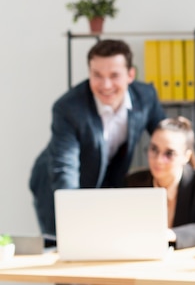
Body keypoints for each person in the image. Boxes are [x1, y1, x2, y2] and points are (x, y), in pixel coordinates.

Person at [29, 39, 166, 238]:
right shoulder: (68, 108)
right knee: (65, 244)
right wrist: (73, 216)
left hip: (106, 179)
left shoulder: (146, 97)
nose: (106, 85)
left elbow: (167, 136)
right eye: (97, 75)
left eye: (114, 75)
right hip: (54, 183)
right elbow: (65, 168)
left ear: (130, 75)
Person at [125, 116, 195, 249]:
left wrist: (174, 235)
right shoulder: (132, 183)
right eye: (154, 149)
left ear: (186, 157)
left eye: (169, 153)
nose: (159, 160)